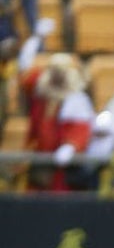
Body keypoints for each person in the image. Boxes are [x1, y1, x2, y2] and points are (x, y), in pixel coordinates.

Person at [17, 22, 94, 192]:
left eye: (62, 71)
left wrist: (70, 147)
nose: (57, 76)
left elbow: (81, 129)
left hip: (62, 165)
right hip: (39, 158)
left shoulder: (76, 100)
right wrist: (36, 39)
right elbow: (24, 71)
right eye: (54, 71)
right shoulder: (42, 91)